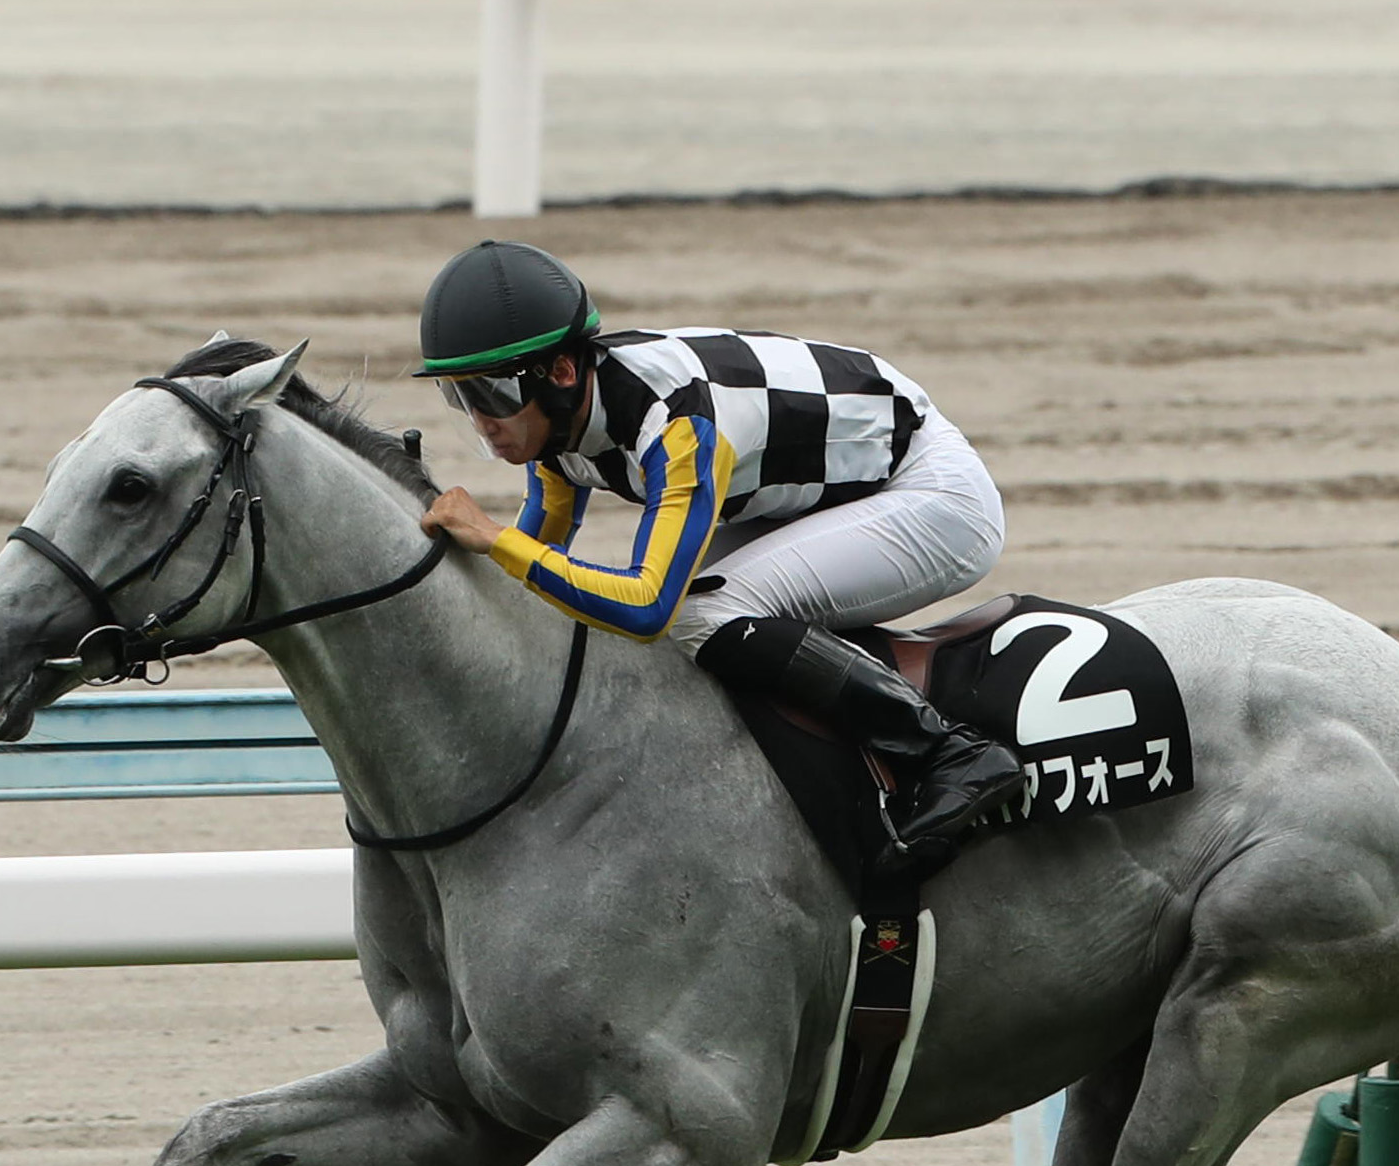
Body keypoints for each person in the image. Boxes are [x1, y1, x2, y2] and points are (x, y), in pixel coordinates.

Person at [409, 239, 1022, 873]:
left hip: (931, 494)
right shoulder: (556, 424)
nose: (482, 420)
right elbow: (536, 564)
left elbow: (646, 605)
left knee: (697, 613)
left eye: (492, 394)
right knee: (671, 607)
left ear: (560, 373)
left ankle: (947, 751)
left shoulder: (673, 422)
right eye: (461, 397)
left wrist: (492, 536)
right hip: (815, 493)